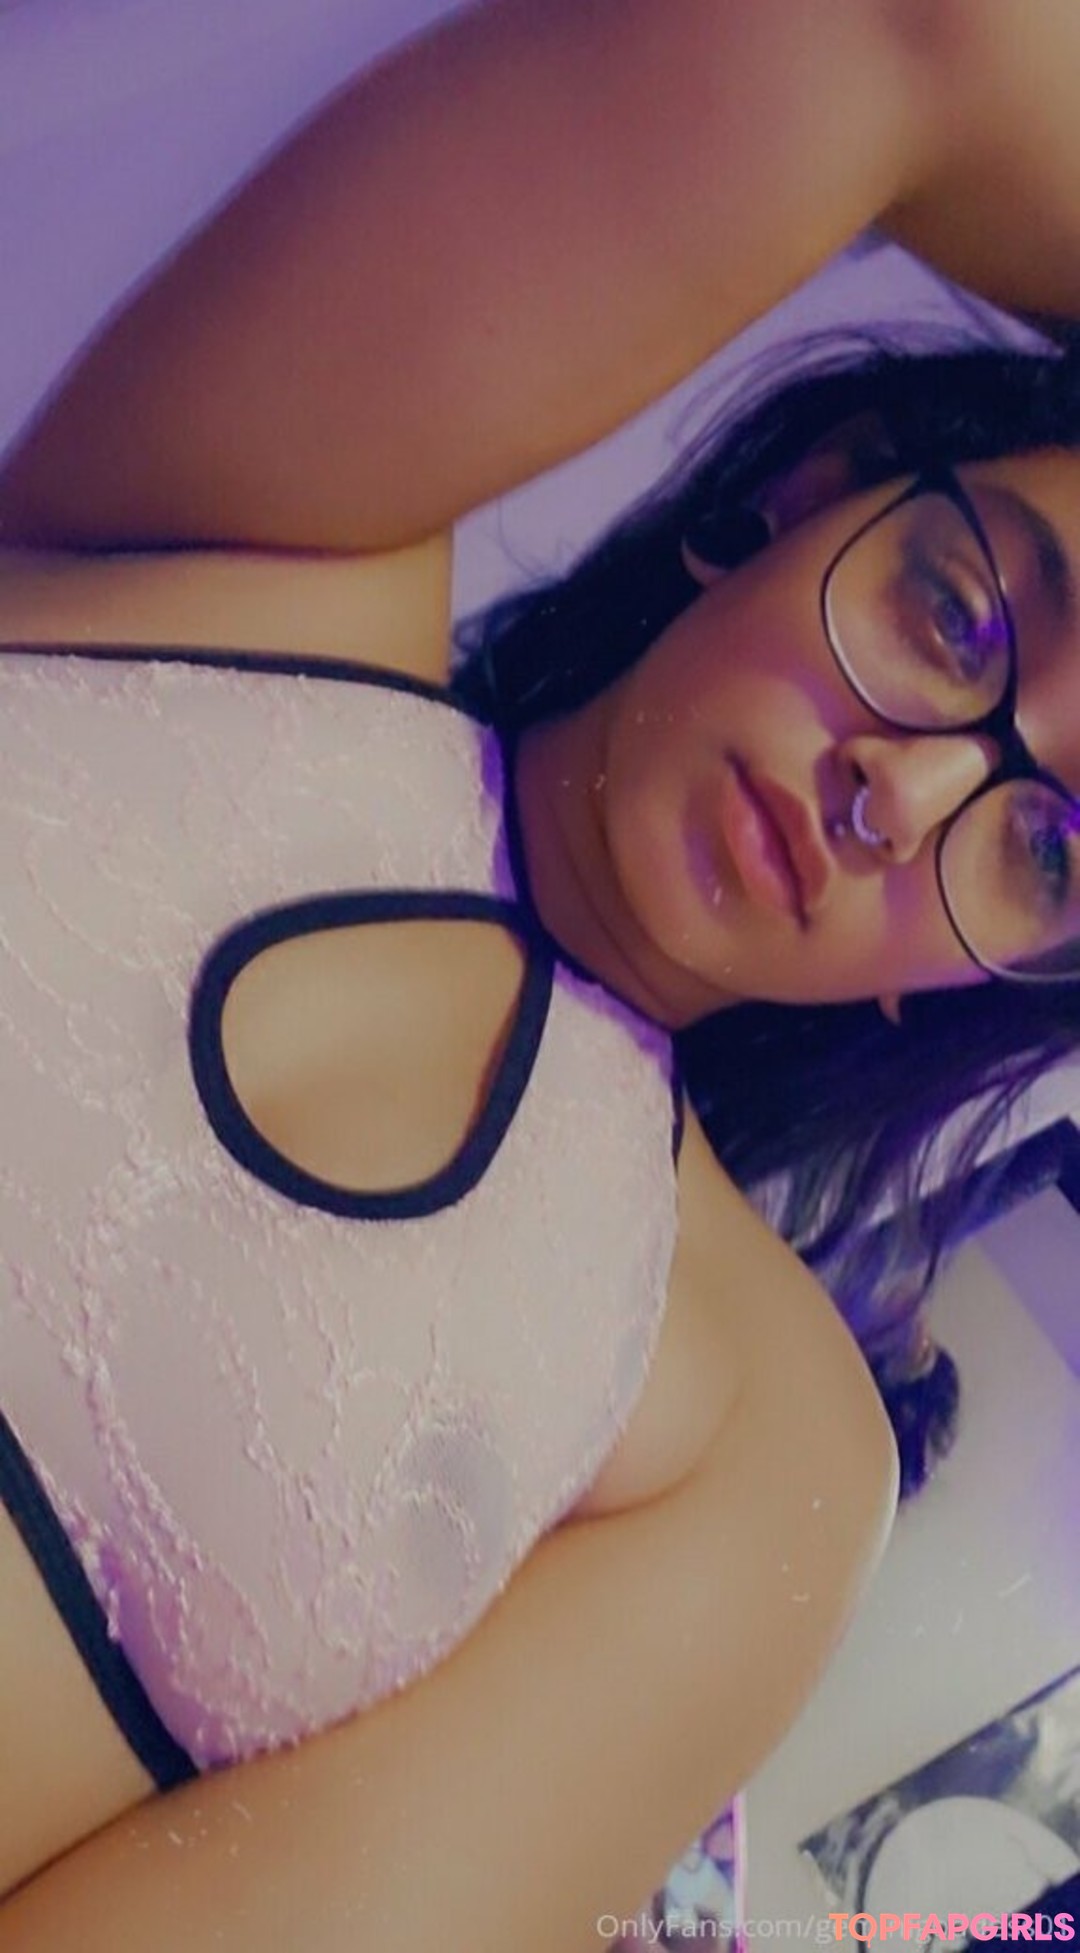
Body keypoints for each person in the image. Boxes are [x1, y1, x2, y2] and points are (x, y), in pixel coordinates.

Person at [0, 2, 1078, 1945]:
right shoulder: (252, 548)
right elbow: (931, 28)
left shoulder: (750, 1437)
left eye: (1048, 848)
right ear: (818, 486)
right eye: (961, 614)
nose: (902, 792)